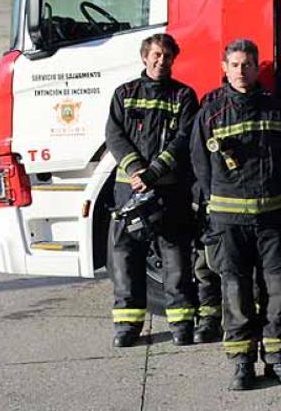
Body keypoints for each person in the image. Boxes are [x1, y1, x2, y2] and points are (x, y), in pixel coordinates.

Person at [190, 39, 281, 390]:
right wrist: (214, 204)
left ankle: (279, 359)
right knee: (235, 292)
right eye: (234, 65)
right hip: (229, 219)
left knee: (278, 291)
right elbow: (200, 164)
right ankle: (241, 363)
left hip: (272, 218)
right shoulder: (211, 111)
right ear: (224, 68)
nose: (241, 71)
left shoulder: (273, 109)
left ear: (256, 67)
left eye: (247, 64)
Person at [105, 33, 200, 348]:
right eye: (156, 55)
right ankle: (127, 326)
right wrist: (135, 170)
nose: (161, 61)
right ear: (144, 57)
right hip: (128, 188)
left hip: (168, 190)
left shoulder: (184, 96)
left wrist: (155, 172)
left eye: (167, 56)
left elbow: (184, 138)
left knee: (175, 255)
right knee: (125, 256)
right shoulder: (124, 94)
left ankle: (181, 323)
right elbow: (114, 135)